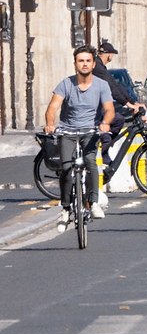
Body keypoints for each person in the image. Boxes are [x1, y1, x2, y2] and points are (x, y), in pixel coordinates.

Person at [44, 45, 115, 231]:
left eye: (88, 61)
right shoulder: (66, 84)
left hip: (90, 131)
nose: (84, 64)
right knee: (66, 168)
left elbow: (109, 109)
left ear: (93, 63)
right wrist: (50, 124)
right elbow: (53, 107)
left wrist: (106, 122)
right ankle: (66, 208)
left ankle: (94, 202)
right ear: (75, 64)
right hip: (68, 131)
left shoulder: (101, 85)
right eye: (80, 61)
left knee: (91, 162)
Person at [92, 41, 144, 177]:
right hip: (94, 110)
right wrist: (129, 104)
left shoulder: (101, 67)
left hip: (99, 107)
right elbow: (112, 88)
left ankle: (104, 148)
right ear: (109, 55)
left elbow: (116, 85)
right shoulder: (97, 67)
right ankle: (99, 151)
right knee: (107, 131)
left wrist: (133, 102)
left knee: (119, 120)